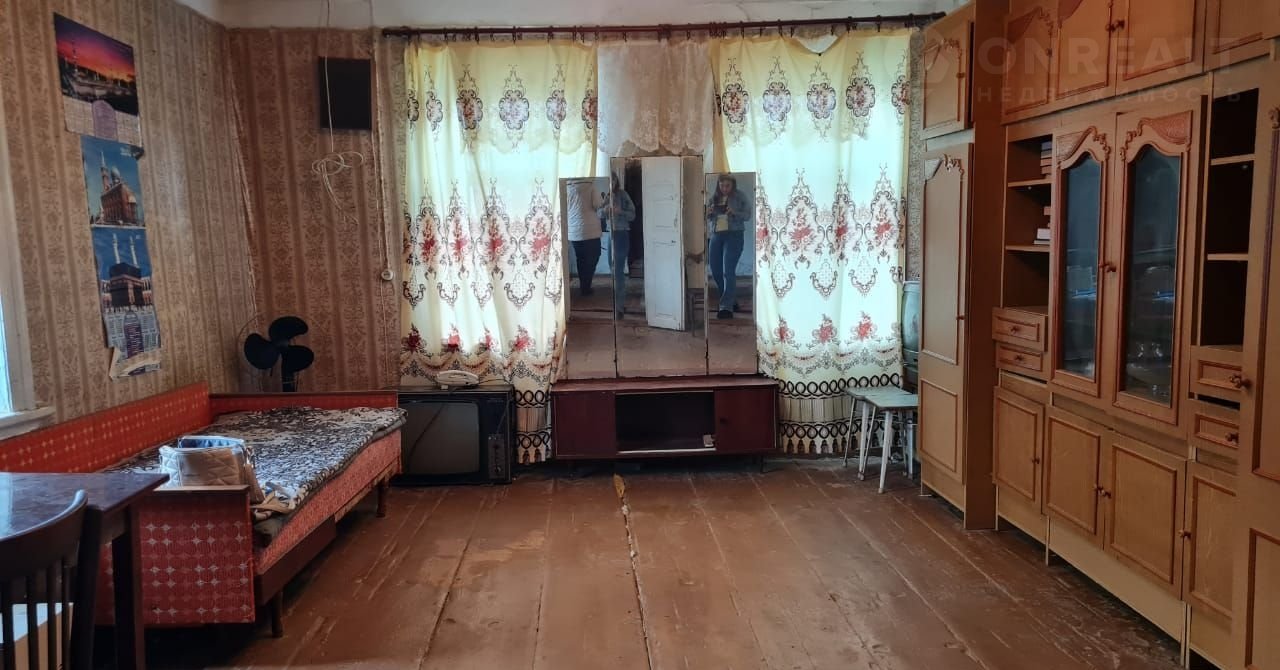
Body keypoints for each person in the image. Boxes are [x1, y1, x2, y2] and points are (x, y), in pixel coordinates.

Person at [706, 174, 751, 319]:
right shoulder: (714, 198)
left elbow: (748, 215)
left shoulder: (740, 196)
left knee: (728, 271)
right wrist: (708, 213)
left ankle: (725, 307)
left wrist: (734, 213)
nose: (724, 188)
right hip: (716, 235)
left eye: (727, 186)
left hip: (734, 235)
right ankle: (730, 300)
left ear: (733, 185)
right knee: (716, 270)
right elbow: (707, 217)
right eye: (721, 185)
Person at [598, 172, 636, 318]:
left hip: (622, 234)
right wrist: (604, 210)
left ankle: (619, 307)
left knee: (618, 271)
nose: (611, 183)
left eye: (613, 180)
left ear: (616, 181)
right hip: (610, 235)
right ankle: (618, 304)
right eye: (608, 180)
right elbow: (598, 213)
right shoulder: (607, 196)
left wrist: (620, 211)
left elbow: (633, 215)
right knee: (612, 270)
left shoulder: (623, 195)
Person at [566, 179, 604, 296]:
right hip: (590, 230)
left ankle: (584, 286)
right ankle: (586, 286)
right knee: (594, 256)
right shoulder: (590, 186)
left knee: (581, 259)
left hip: (573, 230)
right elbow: (598, 204)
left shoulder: (566, 187)